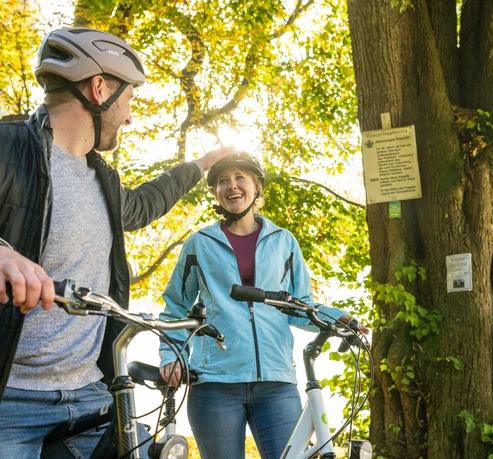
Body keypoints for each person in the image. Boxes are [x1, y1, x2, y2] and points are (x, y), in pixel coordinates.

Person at [0, 27, 233, 458]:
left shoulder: (102, 178)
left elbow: (143, 205)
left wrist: (201, 165)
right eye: (129, 100)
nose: (129, 115)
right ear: (99, 87)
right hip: (10, 404)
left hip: (91, 394)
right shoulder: (7, 147)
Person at [158, 152, 369, 459]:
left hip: (276, 382)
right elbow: (175, 308)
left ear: (256, 186)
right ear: (215, 192)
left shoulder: (284, 241)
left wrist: (339, 318)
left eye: (240, 178)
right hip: (215, 384)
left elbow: (300, 305)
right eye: (222, 181)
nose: (232, 186)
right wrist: (171, 355)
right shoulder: (199, 244)